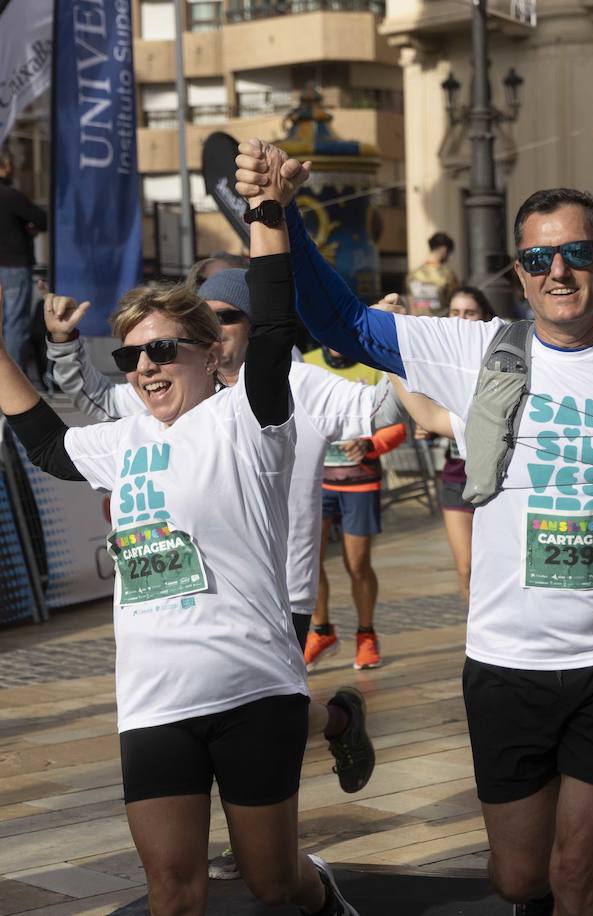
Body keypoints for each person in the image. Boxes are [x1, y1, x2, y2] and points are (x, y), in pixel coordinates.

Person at [238, 139, 593, 916]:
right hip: (506, 662)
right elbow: (343, 323)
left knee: (582, 866)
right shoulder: (477, 350)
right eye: (538, 257)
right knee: (519, 876)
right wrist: (282, 215)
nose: (559, 271)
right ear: (518, 273)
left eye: (577, 253)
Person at [1, 145, 359, 915]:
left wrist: (265, 212)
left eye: (162, 350)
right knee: (172, 892)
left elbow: (269, 324)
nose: (144, 369)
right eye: (130, 356)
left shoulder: (246, 418)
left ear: (205, 351)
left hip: (251, 688)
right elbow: (38, 440)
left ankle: (325, 897)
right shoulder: (124, 439)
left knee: (273, 883)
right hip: (153, 699)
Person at [44, 269, 381, 880]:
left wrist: (391, 344)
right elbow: (80, 412)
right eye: (134, 354)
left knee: (269, 864)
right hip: (160, 682)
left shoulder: (276, 393)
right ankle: (325, 730)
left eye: (229, 316)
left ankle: (278, 827)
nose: (147, 363)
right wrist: (63, 348)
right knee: (180, 878)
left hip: (279, 591)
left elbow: (374, 403)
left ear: (228, 336)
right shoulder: (143, 417)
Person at [302, 346, 407, 671]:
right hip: (315, 481)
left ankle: (366, 634)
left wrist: (371, 444)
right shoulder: (307, 364)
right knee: (307, 561)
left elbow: (398, 422)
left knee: (357, 564)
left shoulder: (372, 362)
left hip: (359, 480)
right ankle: (321, 631)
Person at [438, 286, 497, 601]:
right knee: (466, 568)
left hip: (498, 476)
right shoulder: (438, 360)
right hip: (456, 474)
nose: (461, 319)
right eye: (455, 312)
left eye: (469, 313)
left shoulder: (502, 356)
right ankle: (476, 637)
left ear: (484, 317)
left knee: (499, 566)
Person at [0, 147, 47, 379]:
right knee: (14, 325)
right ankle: (12, 382)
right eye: (11, 164)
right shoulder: (11, 195)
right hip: (13, 267)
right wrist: (30, 228)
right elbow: (41, 219)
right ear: (5, 166)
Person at [407, 231, 461, 318]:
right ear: (444, 249)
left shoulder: (413, 274)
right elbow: (456, 301)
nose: (448, 258)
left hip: (417, 323)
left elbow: (411, 301)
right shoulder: (448, 275)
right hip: (440, 324)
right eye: (449, 254)